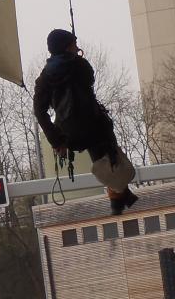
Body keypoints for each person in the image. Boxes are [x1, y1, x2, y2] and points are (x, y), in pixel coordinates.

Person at [33, 29, 138, 215]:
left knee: (105, 162)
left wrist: (57, 140)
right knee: (110, 160)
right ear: (67, 47)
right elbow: (90, 77)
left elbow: (40, 112)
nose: (76, 47)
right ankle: (118, 200)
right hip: (95, 127)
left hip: (70, 134)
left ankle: (121, 198)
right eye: (74, 44)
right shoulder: (79, 66)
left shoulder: (44, 78)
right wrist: (77, 58)